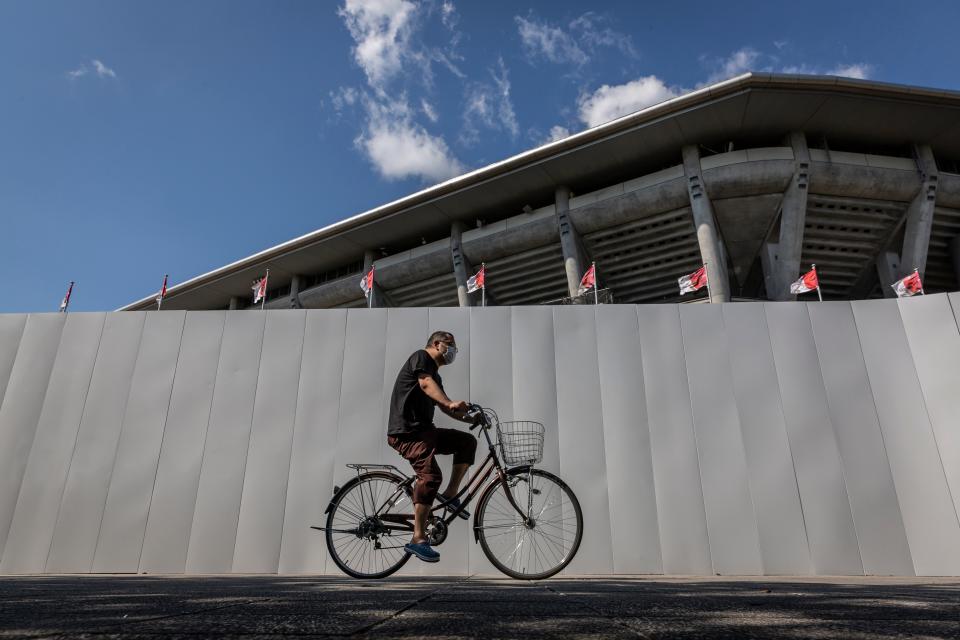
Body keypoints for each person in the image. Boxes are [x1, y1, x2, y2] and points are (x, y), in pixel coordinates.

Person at [387, 330, 477, 562]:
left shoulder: (435, 375)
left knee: (466, 442)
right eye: (451, 346)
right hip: (407, 432)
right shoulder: (421, 358)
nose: (454, 351)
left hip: (425, 431)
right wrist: (449, 401)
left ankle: (450, 494)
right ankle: (418, 538)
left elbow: (446, 407)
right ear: (437, 344)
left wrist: (472, 419)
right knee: (430, 475)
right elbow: (425, 385)